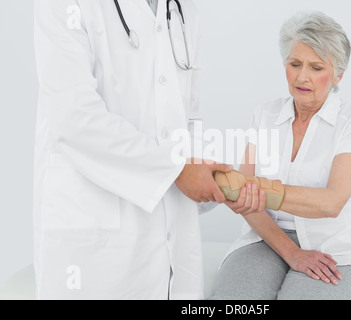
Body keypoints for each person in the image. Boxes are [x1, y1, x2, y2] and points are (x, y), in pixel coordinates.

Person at [33, 0, 231, 300]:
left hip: (173, 238)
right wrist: (176, 171)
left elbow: (188, 117)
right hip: (94, 239)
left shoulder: (182, 12)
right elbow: (75, 118)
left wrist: (211, 178)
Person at [210, 11, 351, 300]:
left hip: (337, 245)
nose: (302, 77)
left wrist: (251, 187)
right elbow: (245, 200)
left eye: (316, 67)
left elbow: (332, 202)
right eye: (295, 64)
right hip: (266, 238)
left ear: (338, 74)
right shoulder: (265, 115)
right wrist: (292, 253)